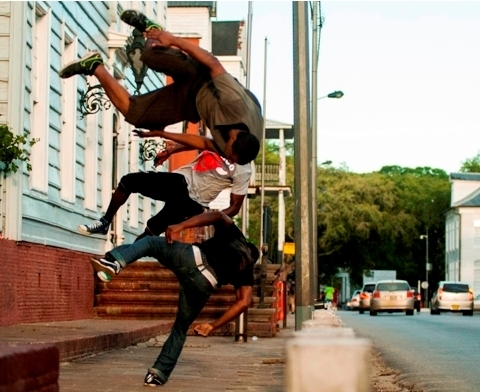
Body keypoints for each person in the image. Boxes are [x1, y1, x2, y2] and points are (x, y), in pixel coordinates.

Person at [59, 10, 263, 165]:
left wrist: (168, 142)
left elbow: (204, 143)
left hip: (194, 103)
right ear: (234, 137)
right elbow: (213, 63)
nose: (225, 157)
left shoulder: (235, 149)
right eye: (227, 153)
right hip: (203, 77)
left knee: (138, 116)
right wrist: (173, 40)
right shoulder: (235, 103)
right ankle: (153, 31)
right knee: (149, 55)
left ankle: (94, 66)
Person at [90, 210, 260, 386]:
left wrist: (181, 225)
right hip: (204, 284)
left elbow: (218, 215)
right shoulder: (247, 268)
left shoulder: (237, 238)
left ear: (247, 244)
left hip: (191, 258)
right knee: (180, 328)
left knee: (150, 243)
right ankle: (158, 374)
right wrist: (212, 326)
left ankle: (114, 262)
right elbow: (244, 302)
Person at [78, 141, 251, 239]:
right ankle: (105, 222)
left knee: (152, 231)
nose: (230, 157)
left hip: (192, 203)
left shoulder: (244, 171)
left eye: (235, 158)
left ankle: (118, 260)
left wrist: (205, 218)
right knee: (128, 181)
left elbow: (234, 207)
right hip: (180, 182)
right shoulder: (223, 141)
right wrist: (170, 151)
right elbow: (194, 141)